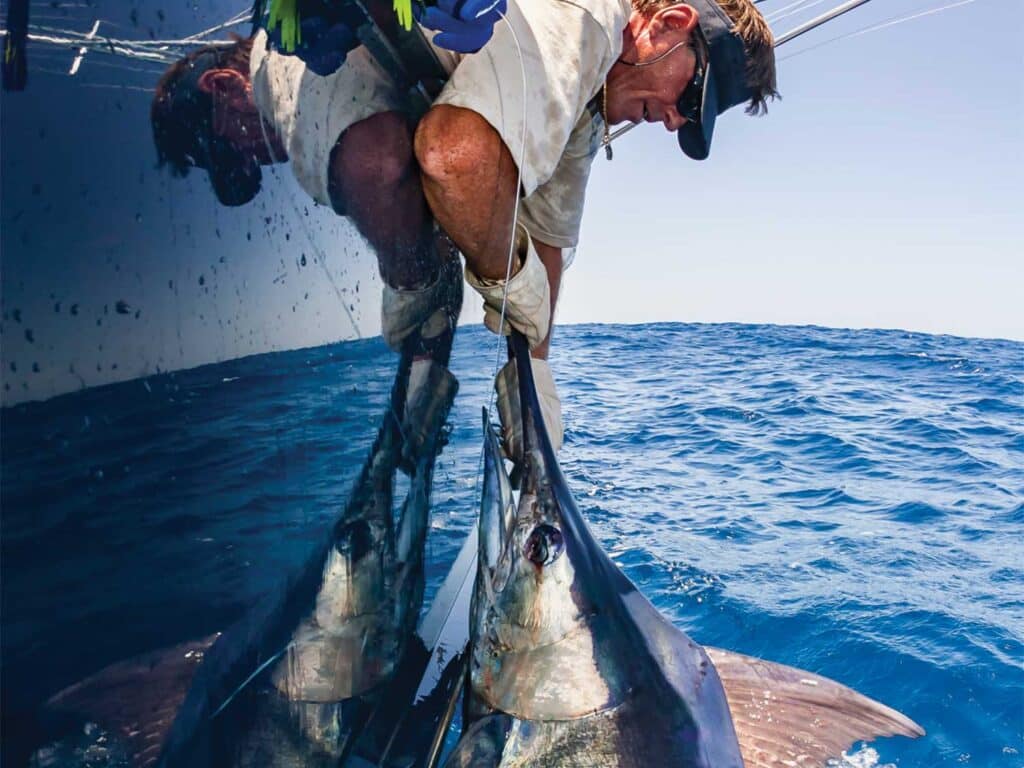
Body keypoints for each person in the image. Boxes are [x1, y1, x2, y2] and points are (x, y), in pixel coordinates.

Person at [151, 0, 777, 460]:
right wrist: (508, 283)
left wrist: (535, 375)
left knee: (385, 162)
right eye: (689, 99)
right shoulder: (593, 21)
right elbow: (454, 159)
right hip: (310, 47)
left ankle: (425, 315)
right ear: (670, 23)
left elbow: (551, 237)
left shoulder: (586, 111)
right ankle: (422, 300)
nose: (673, 124)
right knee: (378, 162)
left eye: (689, 122)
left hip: (402, 87)